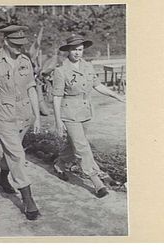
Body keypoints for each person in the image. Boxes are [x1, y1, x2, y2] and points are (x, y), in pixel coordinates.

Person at [0, 24, 41, 220]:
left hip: (24, 115)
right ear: (5, 41)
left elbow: (31, 88)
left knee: (11, 153)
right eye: (15, 45)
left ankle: (2, 176)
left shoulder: (25, 61)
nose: (19, 49)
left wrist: (37, 116)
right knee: (17, 155)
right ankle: (28, 200)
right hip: (3, 116)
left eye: (22, 45)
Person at [52, 34, 125, 198]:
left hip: (85, 112)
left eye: (80, 49)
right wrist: (57, 121)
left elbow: (97, 85)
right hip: (69, 112)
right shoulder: (61, 71)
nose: (77, 53)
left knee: (74, 144)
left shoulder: (87, 67)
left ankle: (60, 164)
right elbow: (56, 97)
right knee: (82, 147)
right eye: (74, 50)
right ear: (68, 51)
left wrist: (117, 96)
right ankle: (96, 179)